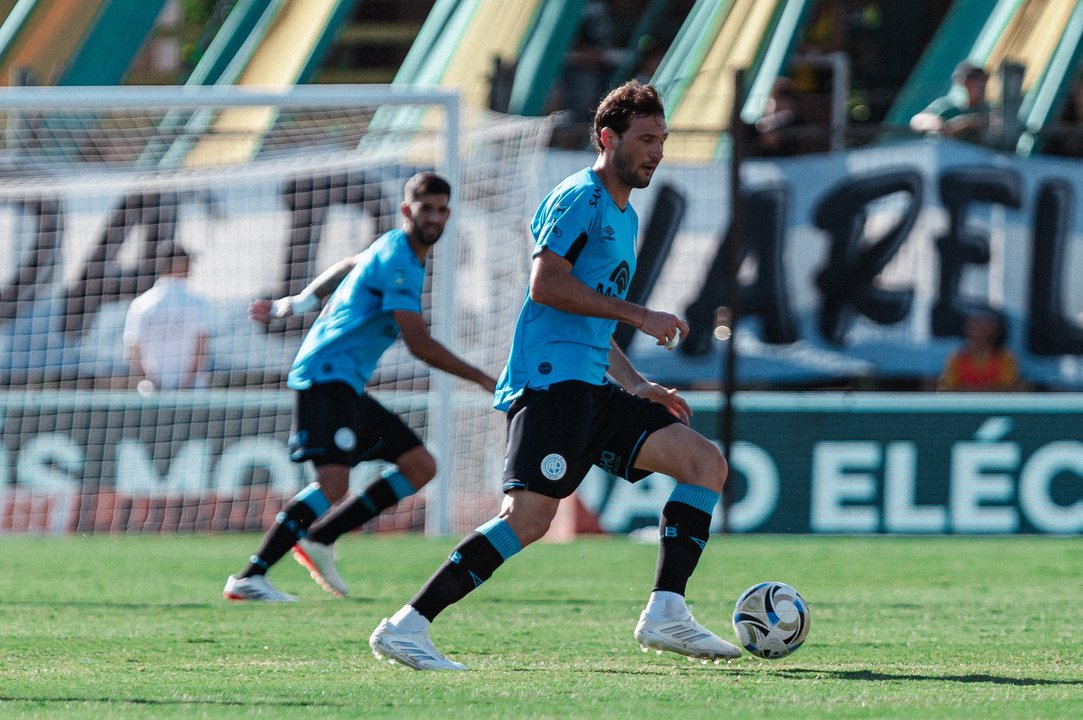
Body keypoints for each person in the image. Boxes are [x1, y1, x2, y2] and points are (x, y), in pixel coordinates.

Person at [367, 81, 742, 671]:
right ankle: (406, 625)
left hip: (593, 381)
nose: (657, 151)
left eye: (662, 140)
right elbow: (546, 285)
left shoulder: (624, 214)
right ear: (607, 137)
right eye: (646, 139)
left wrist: (635, 382)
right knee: (529, 519)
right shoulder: (579, 198)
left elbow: (590, 313)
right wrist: (639, 315)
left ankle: (667, 611)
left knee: (704, 463)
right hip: (551, 384)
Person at [223, 171, 497, 602]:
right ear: (408, 210)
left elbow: (349, 264)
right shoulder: (400, 260)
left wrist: (296, 303)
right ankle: (251, 576)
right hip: (325, 375)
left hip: (345, 382)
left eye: (443, 210)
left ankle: (321, 538)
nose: (435, 217)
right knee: (334, 484)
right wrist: (483, 379)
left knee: (419, 466)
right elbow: (420, 345)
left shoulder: (393, 246)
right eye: (426, 208)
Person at [122, 246, 213, 392]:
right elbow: (202, 348)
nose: (191, 265)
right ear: (177, 264)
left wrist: (150, 382)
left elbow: (132, 352)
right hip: (191, 393)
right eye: (187, 261)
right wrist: (184, 386)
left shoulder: (140, 304)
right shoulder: (197, 302)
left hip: (153, 394)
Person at [909, 60, 993, 145]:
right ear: (961, 82)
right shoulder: (948, 105)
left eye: (982, 78)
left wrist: (970, 123)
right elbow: (918, 119)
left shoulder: (990, 110)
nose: (979, 83)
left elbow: (996, 121)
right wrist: (939, 126)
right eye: (972, 78)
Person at [937, 309, 1023, 392]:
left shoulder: (1005, 358)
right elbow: (946, 389)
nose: (975, 326)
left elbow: (1009, 389)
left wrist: (970, 389)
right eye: (973, 322)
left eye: (981, 322)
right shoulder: (956, 357)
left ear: (994, 329)